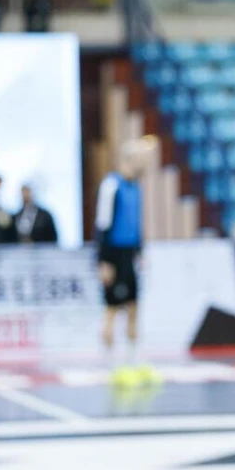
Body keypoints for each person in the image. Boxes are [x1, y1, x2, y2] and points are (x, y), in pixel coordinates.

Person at [94, 141, 155, 385]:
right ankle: (110, 365)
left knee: (133, 308)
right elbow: (103, 224)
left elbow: (136, 222)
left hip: (130, 252)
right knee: (111, 308)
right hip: (114, 254)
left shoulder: (136, 187)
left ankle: (132, 360)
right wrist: (104, 260)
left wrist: (140, 250)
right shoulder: (111, 185)